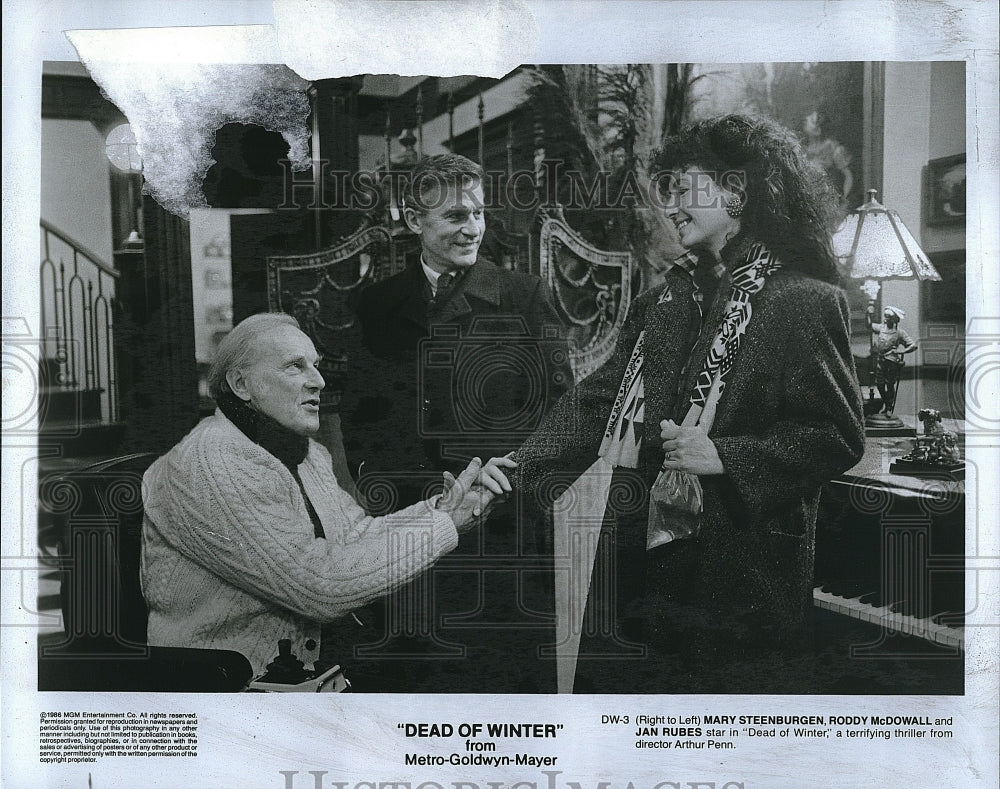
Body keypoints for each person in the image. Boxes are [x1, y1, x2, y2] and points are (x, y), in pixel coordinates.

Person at [505, 114, 866, 693]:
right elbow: (598, 398)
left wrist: (723, 454)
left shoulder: (804, 301)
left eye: (682, 188)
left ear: (736, 190)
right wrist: (517, 464)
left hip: (744, 568)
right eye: (664, 191)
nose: (669, 206)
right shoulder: (663, 301)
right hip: (646, 557)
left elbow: (836, 436)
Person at [140, 312, 505, 678]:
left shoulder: (304, 452)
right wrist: (444, 526)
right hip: (223, 687)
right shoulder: (212, 462)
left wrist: (445, 509)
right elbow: (319, 586)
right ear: (241, 384)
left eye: (315, 365)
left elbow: (354, 535)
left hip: (299, 676)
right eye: (295, 367)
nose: (319, 381)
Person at [338, 153, 572, 692]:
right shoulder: (378, 304)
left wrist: (505, 479)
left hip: (502, 526)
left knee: (499, 679)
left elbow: (562, 413)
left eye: (478, 214)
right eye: (454, 217)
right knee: (411, 680)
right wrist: (394, 490)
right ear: (415, 221)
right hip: (409, 522)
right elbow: (361, 418)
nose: (472, 229)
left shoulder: (524, 297)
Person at [866, 304, 917, 418]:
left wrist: (901, 352)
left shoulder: (900, 333)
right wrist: (868, 314)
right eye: (885, 316)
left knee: (889, 385)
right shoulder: (881, 328)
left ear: (894, 319)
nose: (886, 318)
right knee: (879, 384)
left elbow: (913, 345)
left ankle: (889, 407)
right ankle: (886, 402)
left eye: (888, 317)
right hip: (881, 360)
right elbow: (869, 325)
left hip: (892, 362)